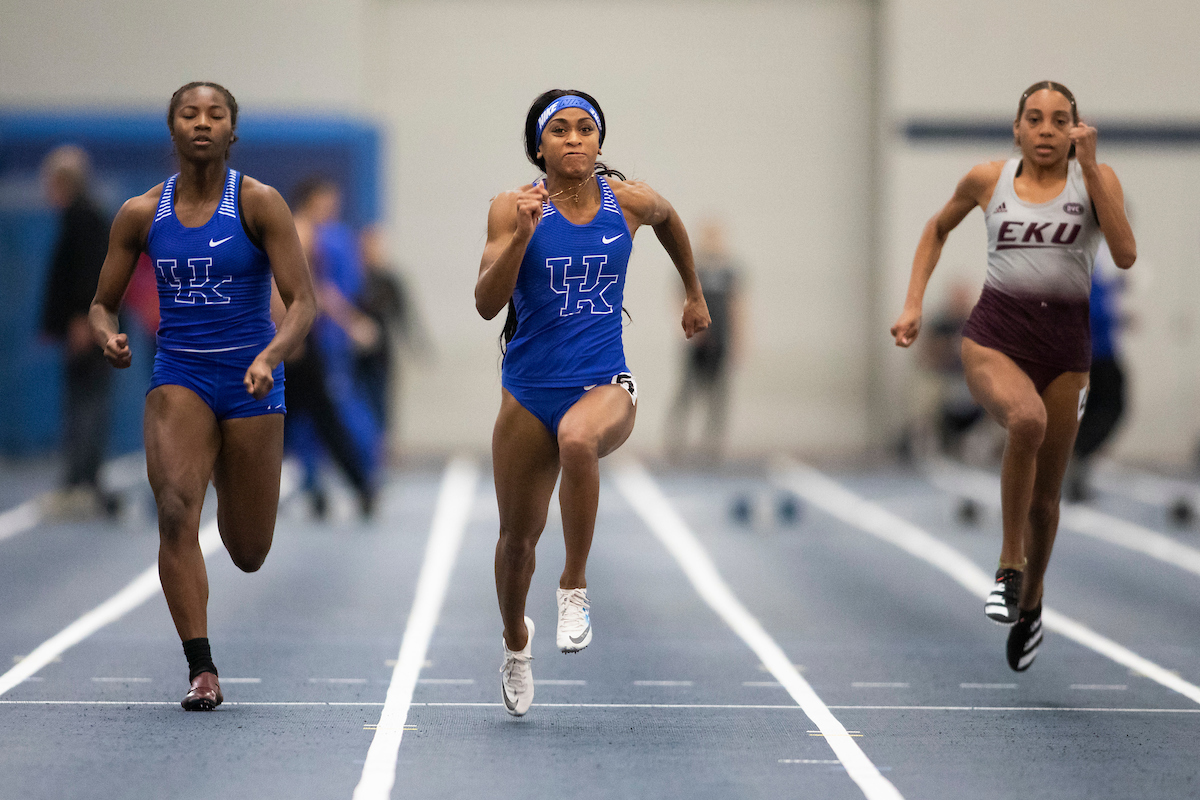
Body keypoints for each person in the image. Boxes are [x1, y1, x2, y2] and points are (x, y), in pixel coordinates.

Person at [476, 90, 710, 716]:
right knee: (516, 542)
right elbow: (485, 301)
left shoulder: (627, 200)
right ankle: (515, 641)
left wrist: (693, 291)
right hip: (527, 392)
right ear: (539, 147)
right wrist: (523, 235)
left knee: (579, 440)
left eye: (586, 129)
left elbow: (669, 220)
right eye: (560, 131)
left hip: (605, 383)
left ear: (600, 142)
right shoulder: (511, 206)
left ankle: (574, 584)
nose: (574, 139)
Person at [890, 81, 1135, 672]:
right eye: (1035, 119)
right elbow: (936, 228)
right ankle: (1008, 566)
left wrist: (1095, 169)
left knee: (1046, 504)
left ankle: (1032, 600)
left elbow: (1124, 254)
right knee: (1023, 420)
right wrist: (914, 303)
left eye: (1059, 120)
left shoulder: (1095, 182)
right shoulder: (987, 180)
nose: (1047, 130)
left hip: (1066, 354)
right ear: (1017, 129)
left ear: (1076, 128)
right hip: (995, 339)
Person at [89, 82, 316, 710]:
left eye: (215, 114)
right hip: (180, 377)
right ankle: (202, 668)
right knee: (173, 509)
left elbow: (303, 303)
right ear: (173, 128)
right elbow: (102, 303)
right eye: (189, 113)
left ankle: (226, 474)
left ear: (231, 131)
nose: (202, 123)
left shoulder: (259, 203)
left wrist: (271, 355)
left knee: (247, 551)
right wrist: (107, 336)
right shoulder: (141, 213)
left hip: (251, 381)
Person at [286, 178, 382, 518]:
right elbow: (315, 290)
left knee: (317, 416)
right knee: (290, 419)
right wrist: (352, 323)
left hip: (302, 338)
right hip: (292, 339)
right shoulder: (300, 233)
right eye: (327, 200)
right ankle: (349, 485)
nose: (333, 208)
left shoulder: (322, 235)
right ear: (311, 200)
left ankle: (353, 485)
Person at [38, 146, 118, 518]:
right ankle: (83, 483)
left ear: (63, 182)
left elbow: (90, 274)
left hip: (89, 327)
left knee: (86, 405)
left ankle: (82, 486)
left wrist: (84, 322)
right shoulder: (80, 216)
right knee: (83, 404)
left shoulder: (84, 217)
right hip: (87, 324)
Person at [664, 218, 742, 463]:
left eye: (716, 236)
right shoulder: (691, 268)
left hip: (721, 342)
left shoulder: (730, 272)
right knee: (686, 393)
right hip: (695, 342)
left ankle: (712, 448)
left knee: (718, 397)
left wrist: (739, 341)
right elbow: (679, 300)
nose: (712, 241)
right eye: (708, 236)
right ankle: (675, 446)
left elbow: (737, 308)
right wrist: (687, 332)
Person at [1065, 240, 1128, 501]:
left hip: (1085, 352)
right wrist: (1117, 318)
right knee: (1109, 409)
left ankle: (1076, 459)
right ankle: (1077, 455)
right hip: (1096, 354)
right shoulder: (1091, 251)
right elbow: (1090, 305)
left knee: (1086, 414)